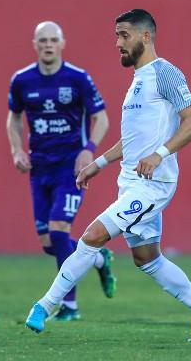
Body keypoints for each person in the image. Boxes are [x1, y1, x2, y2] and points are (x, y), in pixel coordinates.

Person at [25, 9, 191, 342]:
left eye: (124, 35)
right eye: (116, 36)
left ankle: (45, 306)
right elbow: (133, 139)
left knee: (92, 236)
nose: (118, 43)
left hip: (153, 185)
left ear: (145, 36)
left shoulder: (165, 73)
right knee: (147, 259)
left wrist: (160, 154)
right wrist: (98, 163)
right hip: (131, 183)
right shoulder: (138, 80)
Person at [7, 21, 116, 321]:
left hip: (70, 168)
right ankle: (97, 258)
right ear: (35, 44)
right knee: (48, 244)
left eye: (53, 40)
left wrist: (88, 149)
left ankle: (69, 306)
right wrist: (16, 149)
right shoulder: (22, 80)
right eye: (42, 40)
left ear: (62, 43)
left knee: (58, 231)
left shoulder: (77, 78)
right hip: (39, 167)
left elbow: (102, 118)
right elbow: (13, 117)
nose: (48, 45)